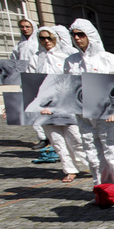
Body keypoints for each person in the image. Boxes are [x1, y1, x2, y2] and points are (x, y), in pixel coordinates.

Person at [64, 19, 114, 201]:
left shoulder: (111, 59)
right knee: (93, 154)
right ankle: (103, 189)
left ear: (90, 36)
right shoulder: (71, 61)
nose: (77, 38)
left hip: (108, 116)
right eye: (74, 35)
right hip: (84, 115)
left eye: (81, 34)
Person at [29, 26, 87, 182]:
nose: (46, 41)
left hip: (66, 102)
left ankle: (90, 164)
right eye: (42, 38)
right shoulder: (36, 58)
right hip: (46, 104)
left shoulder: (67, 56)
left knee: (75, 136)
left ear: (56, 38)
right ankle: (70, 169)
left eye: (49, 37)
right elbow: (31, 83)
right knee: (56, 139)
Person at [11, 18, 48, 150]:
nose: (25, 29)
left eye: (27, 26)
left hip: (39, 77)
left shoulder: (38, 43)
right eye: (22, 27)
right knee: (32, 110)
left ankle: (51, 136)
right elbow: (14, 63)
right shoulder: (18, 46)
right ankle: (42, 137)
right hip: (25, 80)